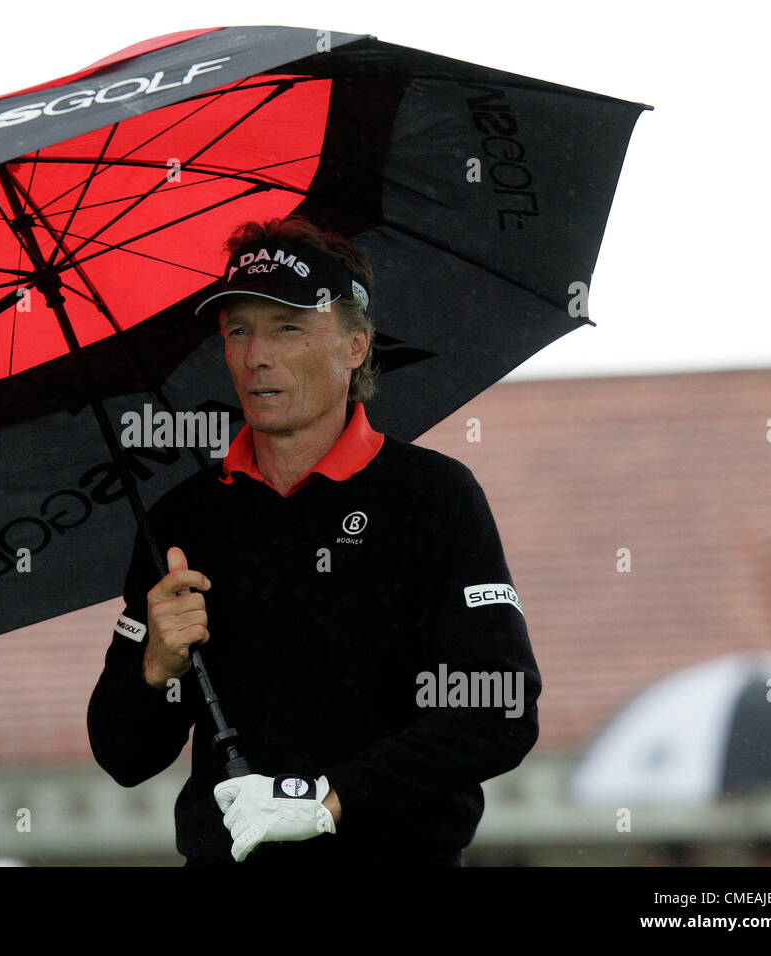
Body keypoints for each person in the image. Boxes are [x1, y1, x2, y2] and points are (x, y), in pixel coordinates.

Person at [86, 215, 541, 866]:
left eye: (287, 328)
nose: (256, 356)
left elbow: (499, 708)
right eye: (238, 330)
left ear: (355, 345)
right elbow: (121, 755)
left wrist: (330, 800)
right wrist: (157, 667)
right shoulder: (183, 519)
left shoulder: (432, 496)